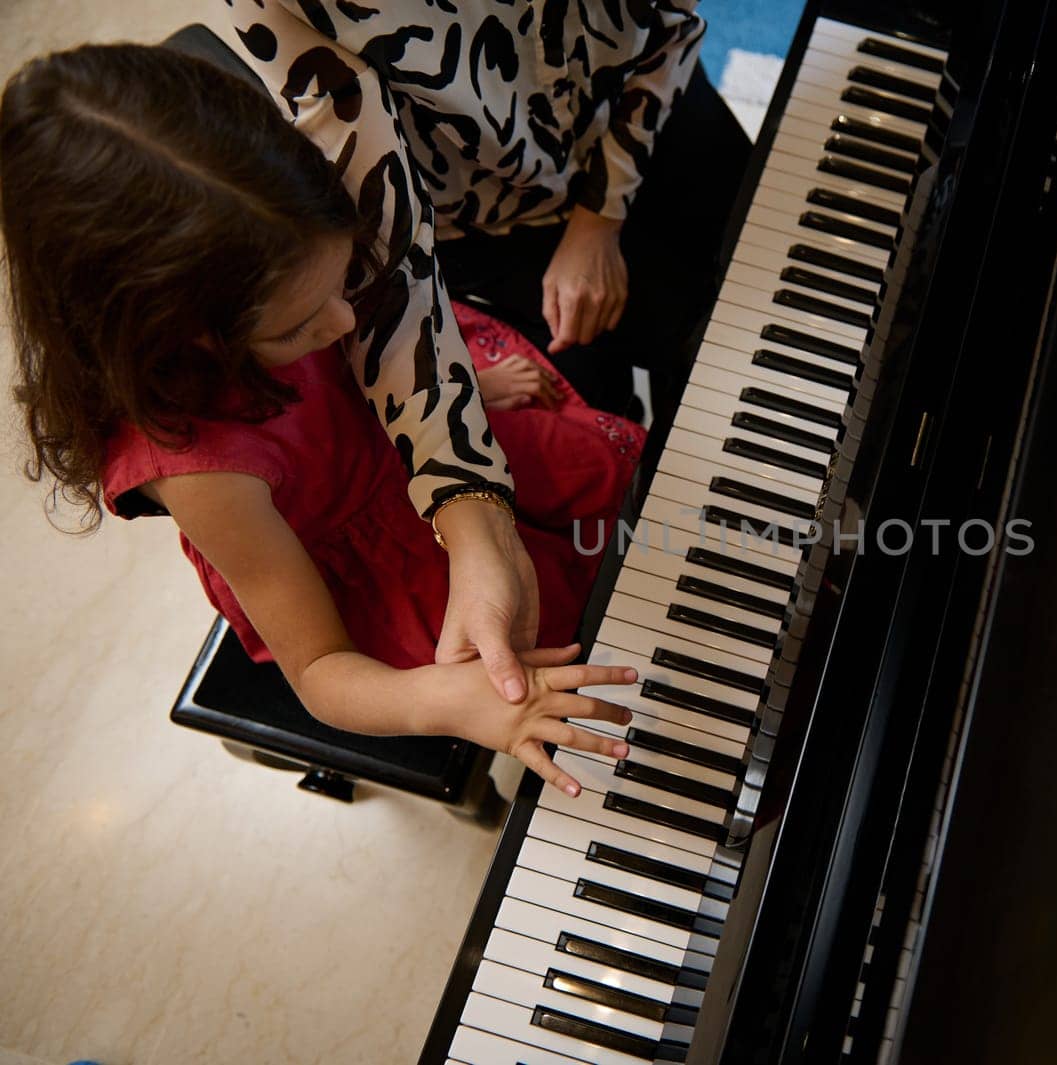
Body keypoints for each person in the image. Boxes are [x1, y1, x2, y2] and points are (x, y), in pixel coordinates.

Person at [1, 43, 646, 799]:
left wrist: (456, 384)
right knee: (574, 627)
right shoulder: (203, 470)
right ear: (177, 335)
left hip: (421, 429)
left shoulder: (296, 226)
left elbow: (380, 336)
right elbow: (319, 670)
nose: (344, 319)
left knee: (628, 500)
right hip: (388, 563)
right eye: (301, 325)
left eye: (344, 281)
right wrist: (452, 700)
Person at [210, 1, 752, 703]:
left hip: (648, 120)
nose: (334, 322)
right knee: (602, 398)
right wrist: (474, 519)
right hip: (480, 229)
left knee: (734, 358)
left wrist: (600, 216)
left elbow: (671, 21)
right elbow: (383, 254)